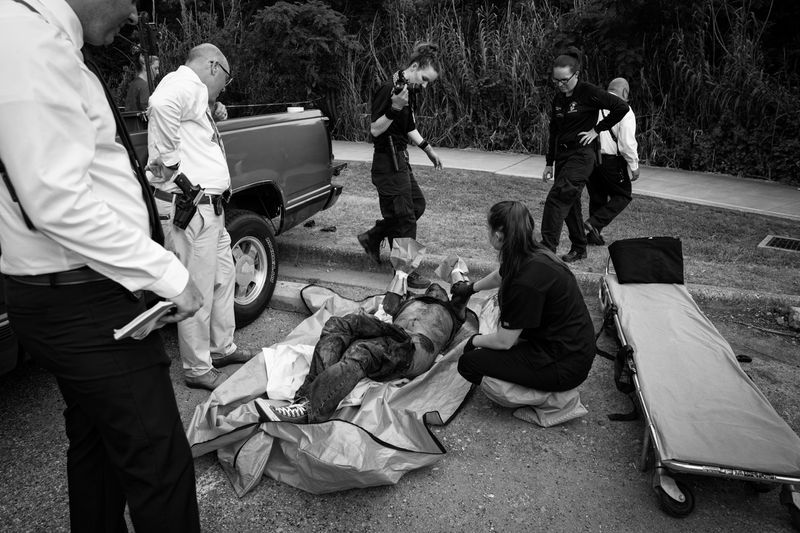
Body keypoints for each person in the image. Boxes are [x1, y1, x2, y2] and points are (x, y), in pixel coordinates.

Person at [0, 1, 203, 531]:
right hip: (83, 298)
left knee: (98, 447)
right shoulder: (28, 43)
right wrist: (167, 274)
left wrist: (148, 242)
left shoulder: (42, 38)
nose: (135, 15)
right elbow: (55, 201)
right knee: (160, 465)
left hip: (69, 287)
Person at [147, 43, 257, 391]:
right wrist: (173, 167)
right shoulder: (185, 84)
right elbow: (161, 105)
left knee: (223, 280)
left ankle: (221, 348)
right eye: (225, 79)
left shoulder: (194, 93)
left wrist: (211, 109)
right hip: (192, 208)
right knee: (196, 287)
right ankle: (196, 367)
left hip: (210, 209)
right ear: (213, 67)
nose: (224, 86)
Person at [261, 282, 473, 423]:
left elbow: (464, 293)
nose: (434, 289)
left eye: (439, 290)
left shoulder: (453, 313)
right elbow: (389, 304)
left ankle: (311, 410)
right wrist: (400, 274)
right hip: (394, 333)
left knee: (361, 351)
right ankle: (306, 397)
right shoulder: (412, 301)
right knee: (339, 324)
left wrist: (460, 282)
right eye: (431, 289)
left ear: (446, 297)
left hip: (416, 348)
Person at [452, 201, 596, 394]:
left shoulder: (524, 281)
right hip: (572, 348)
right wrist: (469, 289)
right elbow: (499, 275)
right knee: (496, 336)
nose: (487, 232)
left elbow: (505, 342)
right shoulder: (530, 251)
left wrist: (473, 341)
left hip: (564, 366)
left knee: (469, 364)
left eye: (488, 228)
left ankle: (551, 400)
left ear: (498, 235)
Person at [357, 42, 443, 288]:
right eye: (425, 78)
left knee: (416, 205)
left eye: (429, 82)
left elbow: (409, 127)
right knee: (405, 218)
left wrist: (428, 150)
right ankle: (405, 273)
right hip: (387, 163)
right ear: (414, 67)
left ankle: (373, 236)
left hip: (400, 160)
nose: (425, 85)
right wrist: (394, 108)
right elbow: (375, 130)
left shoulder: (408, 90)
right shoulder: (389, 90)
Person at [540, 47, 629, 262]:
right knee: (570, 205)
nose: (560, 85)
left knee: (558, 196)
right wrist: (549, 163)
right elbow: (554, 131)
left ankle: (545, 249)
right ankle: (579, 248)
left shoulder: (589, 92)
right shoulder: (558, 99)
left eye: (564, 80)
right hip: (562, 156)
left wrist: (597, 130)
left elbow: (620, 108)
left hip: (582, 155)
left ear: (576, 75)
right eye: (556, 81)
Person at [584, 77, 640, 245]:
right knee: (623, 195)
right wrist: (634, 164)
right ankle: (593, 223)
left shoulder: (594, 104)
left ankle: (593, 236)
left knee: (597, 197)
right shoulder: (625, 110)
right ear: (624, 92)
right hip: (611, 161)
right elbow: (626, 143)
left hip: (591, 158)